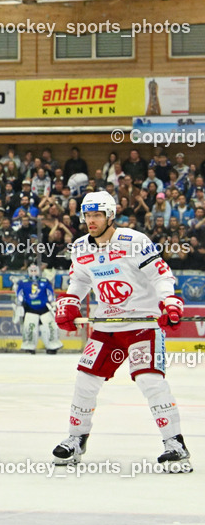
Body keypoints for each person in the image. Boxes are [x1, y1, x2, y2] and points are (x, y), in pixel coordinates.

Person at [53, 191, 190, 471]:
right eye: (87, 215)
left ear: (110, 215)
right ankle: (76, 439)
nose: (91, 221)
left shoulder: (134, 241)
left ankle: (175, 444)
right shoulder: (80, 247)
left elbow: (160, 274)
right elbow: (79, 279)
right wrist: (70, 302)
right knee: (85, 380)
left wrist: (170, 301)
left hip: (143, 324)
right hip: (107, 326)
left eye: (97, 215)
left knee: (150, 381)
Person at [13, 264, 62, 354]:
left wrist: (53, 303)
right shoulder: (23, 282)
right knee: (30, 329)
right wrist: (19, 304)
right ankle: (29, 347)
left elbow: (50, 293)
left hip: (44, 309)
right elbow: (19, 294)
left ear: (39, 271)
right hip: (30, 309)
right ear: (28, 271)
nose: (33, 272)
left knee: (50, 327)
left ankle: (52, 346)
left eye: (35, 270)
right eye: (31, 271)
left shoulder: (45, 281)